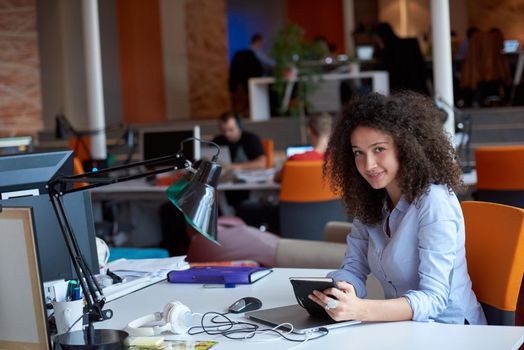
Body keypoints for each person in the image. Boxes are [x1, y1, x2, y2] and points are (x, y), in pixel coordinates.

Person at [309, 91, 486, 325]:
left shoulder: (434, 201)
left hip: (450, 331)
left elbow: (434, 299)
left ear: (405, 147)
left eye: (379, 149)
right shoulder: (371, 200)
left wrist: (360, 310)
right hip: (402, 330)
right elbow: (353, 267)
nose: (368, 164)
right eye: (358, 153)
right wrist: (340, 292)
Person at [274, 112, 333, 182]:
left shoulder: (295, 159)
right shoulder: (339, 159)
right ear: (331, 131)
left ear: (309, 131)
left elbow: (277, 179)